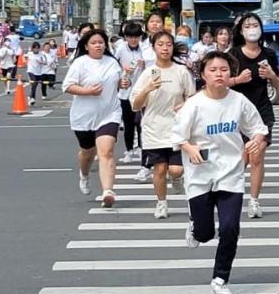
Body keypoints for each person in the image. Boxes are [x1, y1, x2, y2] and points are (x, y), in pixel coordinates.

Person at [172, 50, 269, 294]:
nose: (219, 74)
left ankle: (220, 279)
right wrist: (189, 147)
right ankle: (195, 225)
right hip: (200, 174)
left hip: (230, 173)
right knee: (205, 234)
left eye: (224, 69)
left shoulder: (239, 101)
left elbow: (258, 129)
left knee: (229, 229)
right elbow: (177, 135)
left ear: (231, 73)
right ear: (203, 74)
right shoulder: (194, 104)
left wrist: (256, 142)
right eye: (213, 70)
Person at [131, 30, 195, 219]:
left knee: (176, 169)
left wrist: (184, 105)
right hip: (153, 128)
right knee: (159, 169)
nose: (165, 48)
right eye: (160, 44)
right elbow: (135, 104)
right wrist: (148, 89)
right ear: (153, 48)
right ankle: (161, 203)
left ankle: (176, 179)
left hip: (177, 128)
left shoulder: (181, 71)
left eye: (168, 44)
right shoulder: (147, 74)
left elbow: (192, 97)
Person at [62, 28, 130, 207]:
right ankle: (84, 175)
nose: (98, 46)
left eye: (101, 42)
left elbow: (119, 83)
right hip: (83, 116)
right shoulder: (80, 63)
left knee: (106, 151)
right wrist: (87, 91)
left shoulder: (112, 62)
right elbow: (67, 86)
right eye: (94, 43)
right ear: (86, 46)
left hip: (109, 113)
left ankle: (107, 191)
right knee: (87, 152)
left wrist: (124, 82)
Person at [228, 12, 279, 219]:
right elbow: (221, 82)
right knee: (242, 158)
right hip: (237, 111)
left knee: (257, 155)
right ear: (241, 31)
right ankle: (228, 192)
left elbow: (278, 86)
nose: (252, 28)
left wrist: (271, 76)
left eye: (255, 24)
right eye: (247, 25)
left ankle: (254, 201)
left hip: (262, 111)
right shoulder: (233, 53)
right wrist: (238, 80)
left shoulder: (269, 54)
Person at [113, 22, 147, 166]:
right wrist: (123, 69)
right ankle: (129, 150)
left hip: (141, 90)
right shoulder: (121, 49)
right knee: (128, 123)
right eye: (130, 37)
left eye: (136, 37)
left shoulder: (144, 49)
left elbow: (150, 65)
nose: (133, 40)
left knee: (141, 123)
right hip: (125, 91)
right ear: (126, 37)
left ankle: (140, 148)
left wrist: (143, 65)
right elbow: (113, 65)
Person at [25, 41, 47, 105]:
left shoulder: (41, 54)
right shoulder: (30, 53)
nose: (36, 49)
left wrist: (41, 62)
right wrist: (26, 62)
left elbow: (45, 62)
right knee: (34, 82)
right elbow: (24, 57)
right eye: (35, 48)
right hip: (31, 71)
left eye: (37, 48)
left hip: (38, 72)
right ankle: (32, 98)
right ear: (33, 48)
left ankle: (30, 97)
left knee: (35, 85)